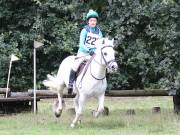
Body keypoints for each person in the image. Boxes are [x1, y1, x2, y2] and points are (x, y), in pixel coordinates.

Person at [68, 9, 103, 94]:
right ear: (88, 21)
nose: (93, 22)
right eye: (91, 20)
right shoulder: (84, 30)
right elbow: (81, 44)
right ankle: (70, 84)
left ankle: (102, 84)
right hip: (83, 52)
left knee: (103, 65)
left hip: (94, 53)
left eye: (94, 20)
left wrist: (94, 51)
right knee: (75, 65)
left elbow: (100, 44)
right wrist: (89, 50)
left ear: (96, 22)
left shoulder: (99, 32)